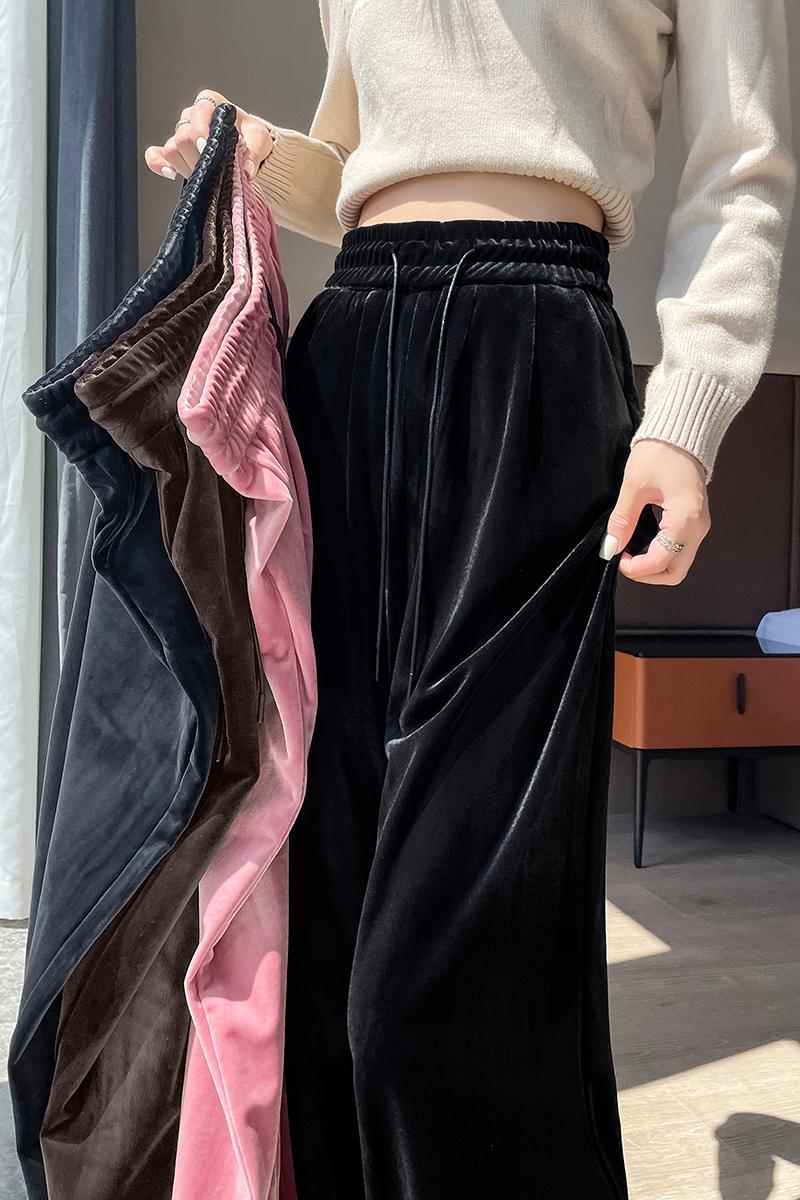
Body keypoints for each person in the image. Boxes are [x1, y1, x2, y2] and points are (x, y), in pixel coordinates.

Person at [145, 4, 796, 1198]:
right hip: (350, 353)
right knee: (327, 918)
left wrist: (685, 416)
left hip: (534, 353)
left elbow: (740, 163)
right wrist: (262, 151)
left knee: (452, 965)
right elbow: (357, 161)